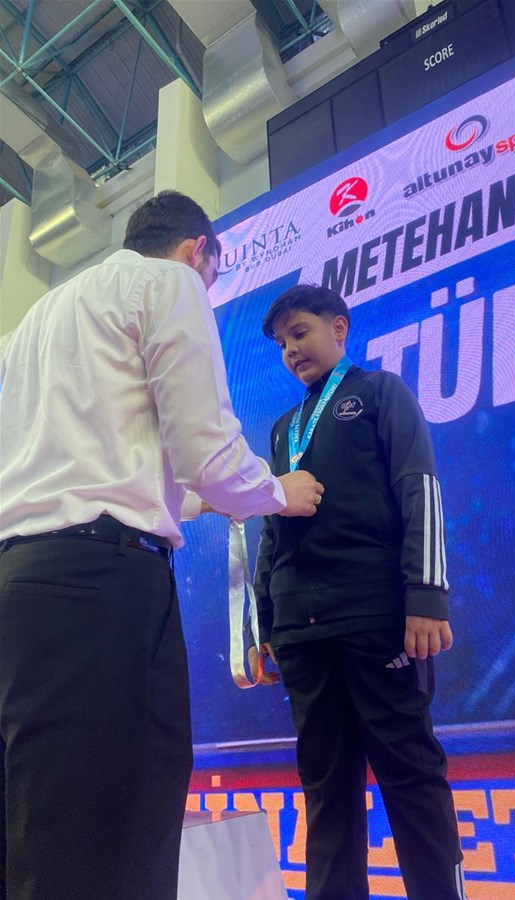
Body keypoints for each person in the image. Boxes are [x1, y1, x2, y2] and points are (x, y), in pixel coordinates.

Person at [0, 191, 323, 900]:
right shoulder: (169, 282)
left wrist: (202, 499)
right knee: (120, 818)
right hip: (102, 583)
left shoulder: (35, 322)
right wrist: (276, 492)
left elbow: (104, 460)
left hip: (22, 579)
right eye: (213, 275)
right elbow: (205, 448)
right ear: (196, 251)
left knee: (40, 822)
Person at [252, 284, 468, 900]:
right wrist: (266, 622)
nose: (292, 351)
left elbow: (419, 486)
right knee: (325, 786)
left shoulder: (380, 393)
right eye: (282, 344)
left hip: (374, 618)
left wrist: (426, 596)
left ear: (339, 328)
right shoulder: (283, 429)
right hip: (301, 631)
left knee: (410, 773)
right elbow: (272, 529)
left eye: (301, 333)